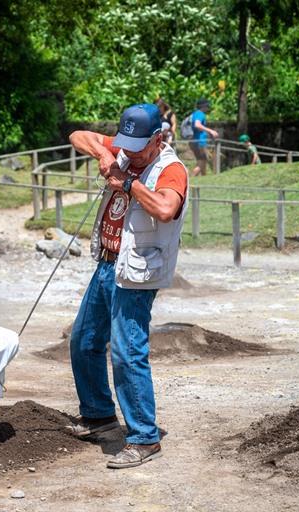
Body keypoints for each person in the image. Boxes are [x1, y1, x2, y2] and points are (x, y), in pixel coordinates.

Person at [66, 104, 189, 469]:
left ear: (157, 139)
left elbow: (166, 209)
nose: (129, 152)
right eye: (124, 144)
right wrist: (105, 154)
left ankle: (144, 438)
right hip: (107, 261)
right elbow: (77, 136)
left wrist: (130, 184)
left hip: (137, 271)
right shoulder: (122, 149)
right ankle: (99, 414)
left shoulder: (171, 169)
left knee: (126, 350)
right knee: (84, 340)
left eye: (137, 146)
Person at [188, 98, 219, 176]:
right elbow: (197, 125)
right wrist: (211, 131)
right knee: (202, 161)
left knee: (202, 160)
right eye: (207, 106)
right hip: (199, 141)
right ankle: (190, 178)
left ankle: (204, 177)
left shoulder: (195, 114)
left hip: (197, 141)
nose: (208, 108)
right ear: (204, 106)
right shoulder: (200, 114)